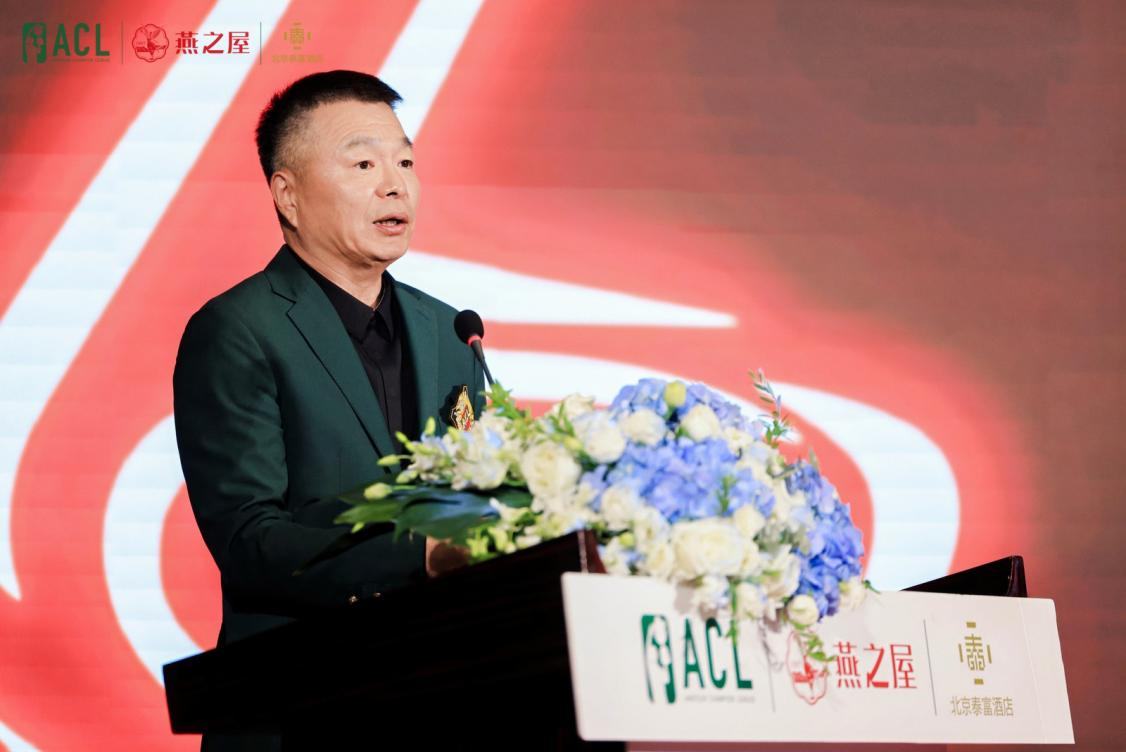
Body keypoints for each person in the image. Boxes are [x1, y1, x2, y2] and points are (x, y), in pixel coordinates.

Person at [172, 70, 483, 751]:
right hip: (297, 711)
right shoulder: (238, 330)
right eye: (364, 165)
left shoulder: (452, 332)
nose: (395, 185)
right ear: (287, 194)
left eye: (405, 163)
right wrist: (421, 555)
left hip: (439, 701)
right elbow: (250, 540)